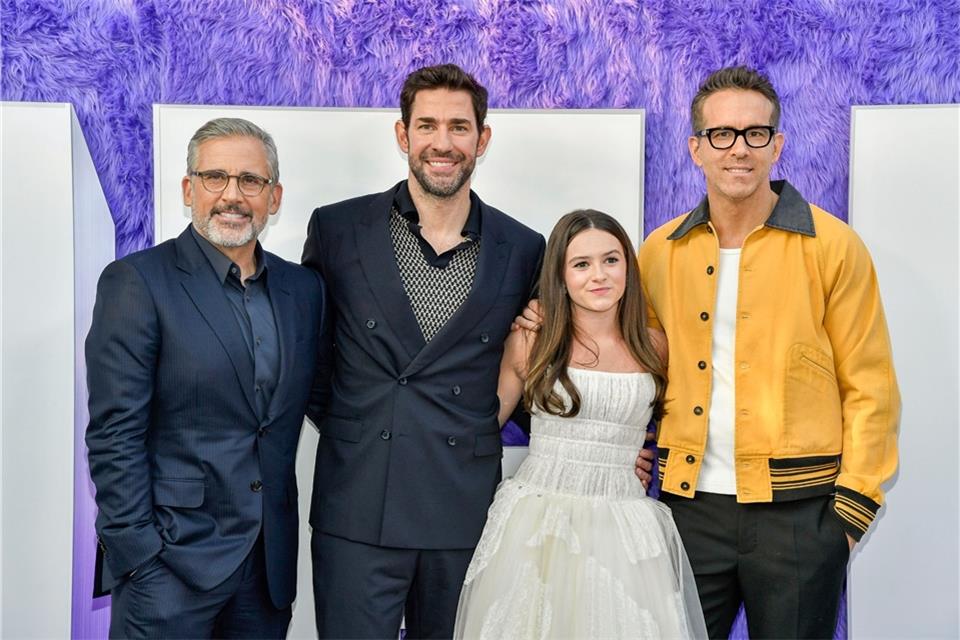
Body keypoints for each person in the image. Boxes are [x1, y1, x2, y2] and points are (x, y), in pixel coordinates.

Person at [519, 66, 901, 639]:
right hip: (686, 512)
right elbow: (630, 357)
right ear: (696, 149)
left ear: (779, 145)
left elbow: (870, 388)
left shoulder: (834, 248)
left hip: (799, 514)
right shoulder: (659, 251)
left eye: (755, 133)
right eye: (722, 134)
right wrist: (548, 319)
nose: (739, 149)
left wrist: (846, 517)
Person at [301, 63, 545, 638]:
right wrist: (363, 425)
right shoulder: (338, 229)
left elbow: (533, 367)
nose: (443, 142)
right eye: (428, 125)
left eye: (459, 127)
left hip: (464, 508)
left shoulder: (523, 247)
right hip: (357, 505)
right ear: (402, 134)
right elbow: (310, 362)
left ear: (482, 140)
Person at [86, 117, 331, 638]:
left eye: (250, 181)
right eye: (215, 177)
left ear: (274, 195)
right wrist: (139, 554)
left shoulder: (303, 290)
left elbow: (320, 403)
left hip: (268, 570)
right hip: (169, 566)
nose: (232, 196)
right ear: (188, 189)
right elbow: (114, 432)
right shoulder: (138, 282)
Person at [454, 210, 707, 639]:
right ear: (560, 274)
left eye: (611, 260)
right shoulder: (532, 339)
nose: (599, 276)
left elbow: (685, 421)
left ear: (629, 264)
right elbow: (485, 421)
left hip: (625, 528)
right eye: (581, 264)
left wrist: (646, 455)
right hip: (539, 524)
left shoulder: (656, 346)